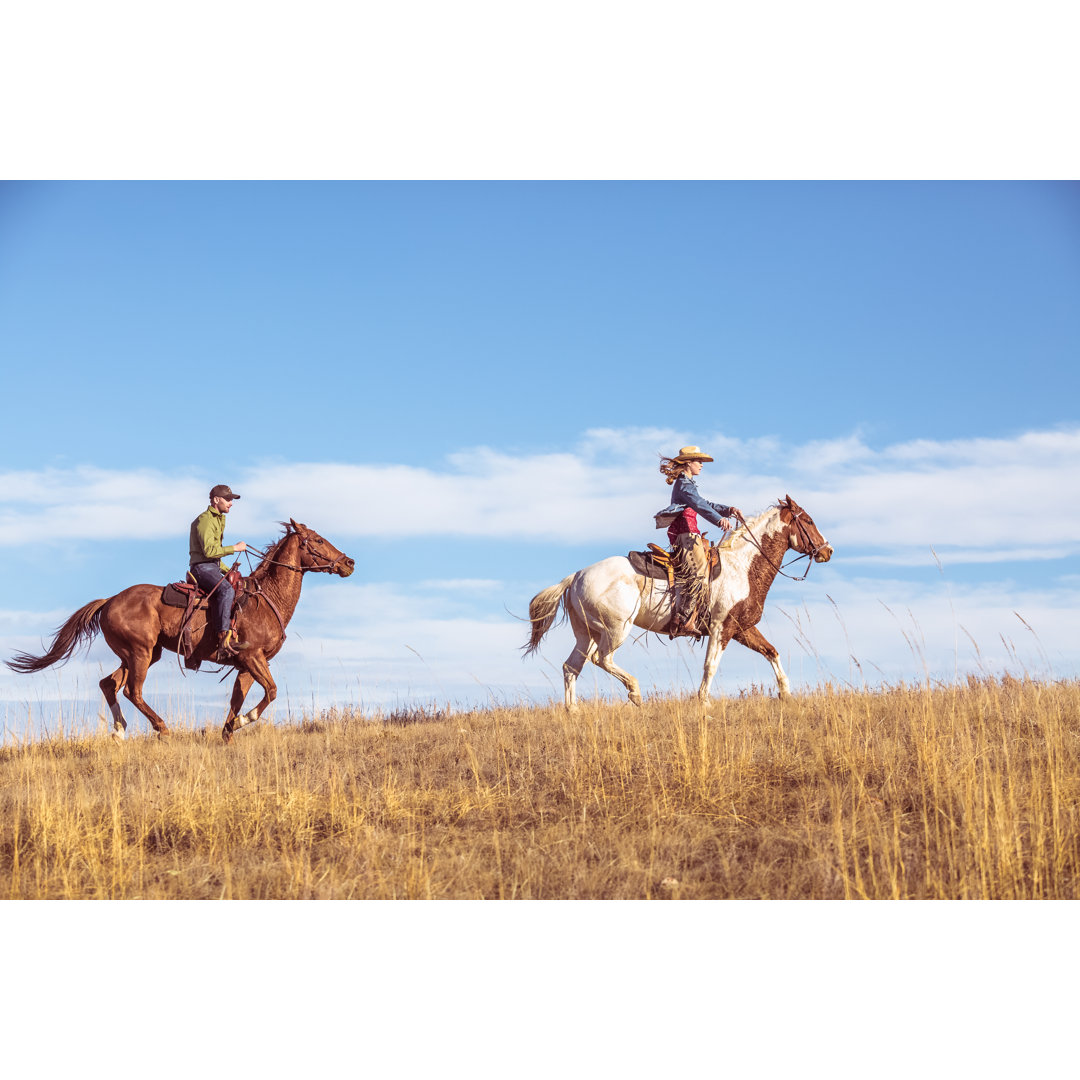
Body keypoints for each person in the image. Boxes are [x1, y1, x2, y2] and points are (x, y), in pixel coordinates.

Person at [655, 446, 742, 638]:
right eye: (698, 461)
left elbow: (705, 503)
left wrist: (728, 510)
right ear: (688, 463)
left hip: (691, 534)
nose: (701, 465)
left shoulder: (688, 484)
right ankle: (684, 619)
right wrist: (719, 519)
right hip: (685, 535)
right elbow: (700, 505)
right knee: (699, 574)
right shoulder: (684, 484)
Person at [189, 484, 249, 661]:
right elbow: (209, 552)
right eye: (228, 499)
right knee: (226, 590)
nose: (231, 503)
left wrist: (226, 569)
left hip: (210, 566)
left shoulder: (219, 519)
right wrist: (235, 548)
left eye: (232, 500)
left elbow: (213, 557)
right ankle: (223, 637)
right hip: (202, 568)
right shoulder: (206, 520)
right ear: (216, 500)